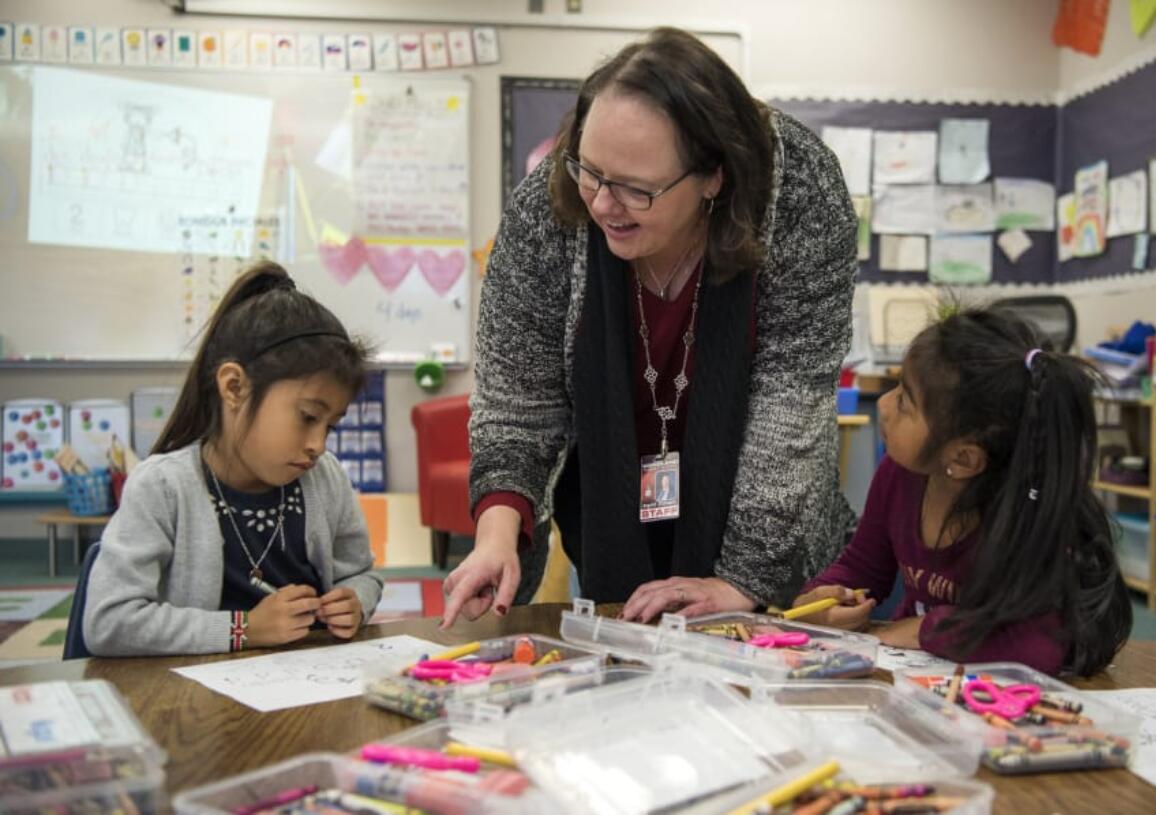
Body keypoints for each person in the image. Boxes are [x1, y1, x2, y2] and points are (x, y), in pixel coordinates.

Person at [442, 27, 858, 627]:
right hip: (612, 522)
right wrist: (497, 535)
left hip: (764, 535)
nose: (603, 204)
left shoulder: (798, 192)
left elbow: (791, 405)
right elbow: (517, 405)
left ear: (714, 176)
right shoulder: (549, 204)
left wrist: (741, 579)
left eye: (637, 190)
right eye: (590, 170)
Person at [791, 309, 1132, 676]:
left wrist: (925, 630)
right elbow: (862, 567)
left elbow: (1038, 643)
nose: (886, 406)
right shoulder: (899, 475)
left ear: (964, 459)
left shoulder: (1023, 516)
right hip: (919, 680)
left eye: (905, 401)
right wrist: (819, 601)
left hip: (1004, 697)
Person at [85, 262, 383, 656]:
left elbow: (361, 573)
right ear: (234, 387)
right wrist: (244, 629)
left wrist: (356, 599)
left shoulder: (325, 479)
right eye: (308, 417)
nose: (318, 445)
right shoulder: (162, 487)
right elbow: (110, 622)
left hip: (307, 688)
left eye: (330, 426)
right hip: (200, 701)